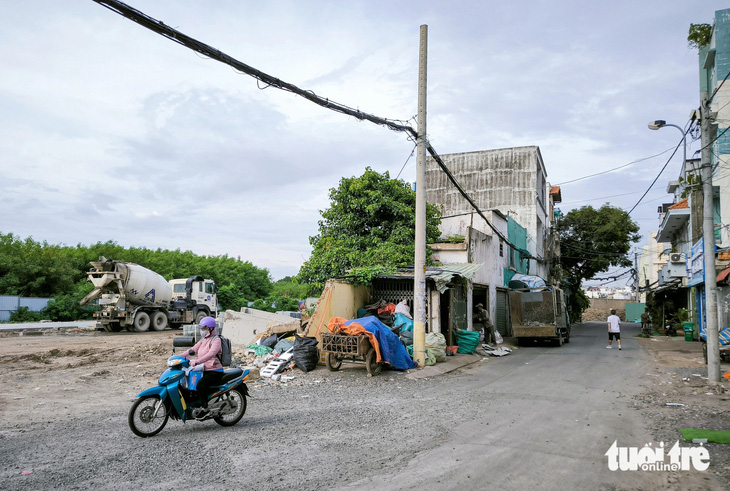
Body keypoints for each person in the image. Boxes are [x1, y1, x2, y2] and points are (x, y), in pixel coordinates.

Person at [183, 316, 223, 419]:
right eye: (201, 328)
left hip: (215, 371)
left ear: (210, 329)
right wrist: (178, 358)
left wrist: (196, 361)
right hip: (204, 369)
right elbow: (193, 350)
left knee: (200, 385)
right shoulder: (203, 339)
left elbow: (211, 354)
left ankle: (205, 408)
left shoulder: (216, 340)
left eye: (204, 328)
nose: (202, 331)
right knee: (188, 383)